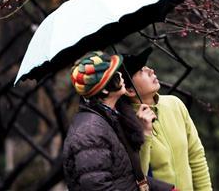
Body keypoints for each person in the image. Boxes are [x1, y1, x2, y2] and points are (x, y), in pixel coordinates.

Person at [62, 50, 176, 191]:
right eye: (115, 74)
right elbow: (97, 187)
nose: (121, 75)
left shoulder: (111, 117)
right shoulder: (90, 131)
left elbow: (127, 178)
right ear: (104, 90)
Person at [122, 50, 212, 191]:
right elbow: (137, 178)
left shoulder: (175, 104)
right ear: (129, 90)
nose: (150, 70)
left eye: (146, 67)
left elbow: (196, 156)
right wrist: (144, 133)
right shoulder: (124, 123)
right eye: (141, 70)